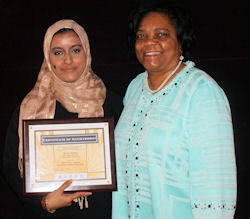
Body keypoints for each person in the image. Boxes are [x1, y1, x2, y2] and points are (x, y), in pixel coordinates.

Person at [112, 1, 237, 219]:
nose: (149, 42)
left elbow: (216, 186)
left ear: (180, 42)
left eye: (161, 34)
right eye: (141, 36)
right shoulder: (135, 88)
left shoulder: (202, 92)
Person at [3, 19, 123, 218]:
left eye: (76, 50)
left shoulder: (110, 102)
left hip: (98, 212)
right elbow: (10, 166)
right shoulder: (32, 106)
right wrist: (44, 202)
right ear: (48, 58)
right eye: (58, 52)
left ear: (87, 52)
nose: (68, 60)